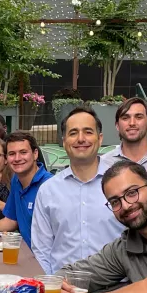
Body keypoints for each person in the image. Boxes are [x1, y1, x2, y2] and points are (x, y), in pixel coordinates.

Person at [60, 159, 147, 293]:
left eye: (132, 193)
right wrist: (49, 284)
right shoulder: (124, 248)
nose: (126, 205)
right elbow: (78, 272)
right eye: (115, 201)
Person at [30, 106, 123, 274]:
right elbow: (42, 250)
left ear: (100, 138)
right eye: (73, 133)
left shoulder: (122, 183)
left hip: (116, 290)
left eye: (88, 132)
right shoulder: (48, 191)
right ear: (64, 141)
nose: (81, 139)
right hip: (64, 289)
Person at [0, 132, 52, 247]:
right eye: (12, 153)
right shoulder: (16, 181)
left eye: (23, 152)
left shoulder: (49, 185)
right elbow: (11, 220)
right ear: (7, 157)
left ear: (35, 154)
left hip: (49, 260)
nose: (17, 158)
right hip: (27, 253)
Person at [111, 97, 147, 166]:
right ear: (117, 126)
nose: (132, 123)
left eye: (139, 117)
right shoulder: (104, 163)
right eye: (125, 118)